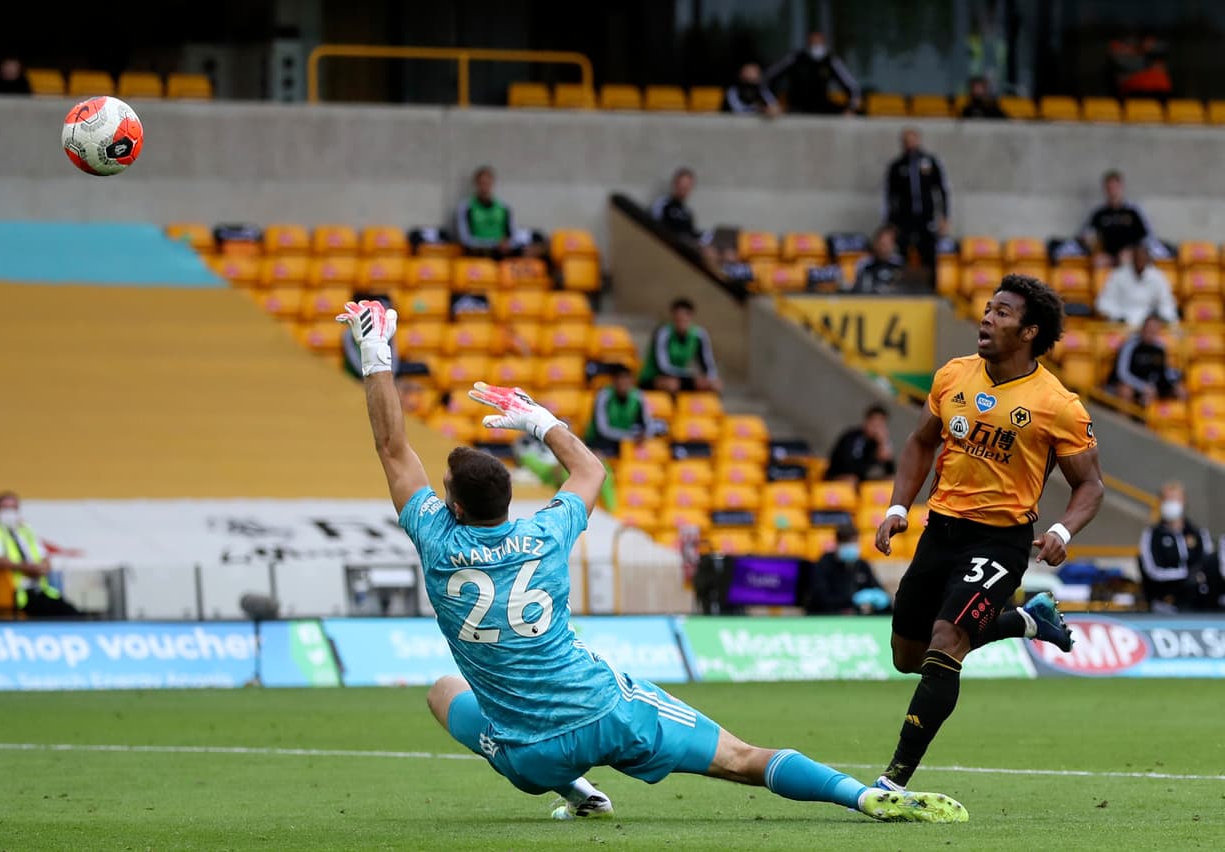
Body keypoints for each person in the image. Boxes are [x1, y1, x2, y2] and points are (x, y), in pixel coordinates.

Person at [336, 298, 968, 824]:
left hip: (529, 757)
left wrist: (375, 352)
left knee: (444, 691)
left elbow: (393, 448)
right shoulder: (547, 532)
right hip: (609, 714)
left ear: (448, 504)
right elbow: (589, 469)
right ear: (507, 499)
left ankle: (578, 793)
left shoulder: (436, 540)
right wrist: (538, 420)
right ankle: (864, 795)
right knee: (742, 758)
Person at [874, 273, 1104, 791]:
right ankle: (1026, 620)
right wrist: (897, 507)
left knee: (946, 641)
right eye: (988, 308)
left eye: (1002, 312)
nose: (986, 317)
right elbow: (918, 443)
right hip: (941, 531)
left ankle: (894, 781)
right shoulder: (953, 376)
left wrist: (1063, 532)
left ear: (1029, 332)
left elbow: (1090, 486)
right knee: (907, 657)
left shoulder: (1058, 405)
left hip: (999, 541)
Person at [0, 491, 81, 618]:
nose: (9, 512)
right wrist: (26, 568)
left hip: (36, 590)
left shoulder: (24, 529)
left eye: (13, 508)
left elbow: (43, 555)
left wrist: (43, 567)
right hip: (10, 593)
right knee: (64, 613)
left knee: (70, 611)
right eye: (5, 507)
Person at [1139, 482, 1219, 613]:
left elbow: (1208, 563)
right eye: (1167, 499)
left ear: (1184, 501)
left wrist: (1198, 576)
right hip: (1165, 603)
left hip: (1197, 602)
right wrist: (1186, 575)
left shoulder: (1198, 533)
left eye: (1175, 499)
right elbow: (1153, 570)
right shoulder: (1152, 534)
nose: (1171, 504)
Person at [882, 128, 950, 275]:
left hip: (926, 217)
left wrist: (944, 216)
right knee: (902, 254)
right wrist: (890, 223)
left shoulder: (930, 162)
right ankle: (902, 289)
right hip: (904, 219)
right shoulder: (897, 166)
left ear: (918, 140)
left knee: (929, 252)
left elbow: (942, 191)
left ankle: (931, 289)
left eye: (912, 140)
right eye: (906, 141)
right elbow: (890, 196)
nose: (910, 144)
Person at [638, 298, 723, 394]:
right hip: (655, 377)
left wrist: (710, 378)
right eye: (678, 318)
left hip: (681, 377)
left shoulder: (699, 335)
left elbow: (708, 364)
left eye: (684, 316)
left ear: (691, 317)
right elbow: (662, 366)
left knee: (715, 385)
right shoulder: (663, 332)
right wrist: (690, 376)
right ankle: (670, 408)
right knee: (672, 384)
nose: (681, 320)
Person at [765, 31, 861, 115]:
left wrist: (851, 107)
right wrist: (772, 103)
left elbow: (851, 87)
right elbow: (769, 78)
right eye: (813, 41)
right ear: (808, 42)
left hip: (821, 107)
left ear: (824, 42)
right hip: (796, 108)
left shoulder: (830, 60)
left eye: (819, 41)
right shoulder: (795, 58)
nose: (816, 44)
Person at [807, 525, 892, 615]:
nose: (852, 547)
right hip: (828, 617)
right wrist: (851, 600)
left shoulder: (861, 565)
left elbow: (878, 590)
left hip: (857, 618)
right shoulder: (824, 564)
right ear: (838, 543)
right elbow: (820, 598)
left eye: (854, 542)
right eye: (847, 543)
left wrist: (878, 598)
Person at [455, 166, 535, 260]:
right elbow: (465, 239)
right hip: (480, 251)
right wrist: (494, 244)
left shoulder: (504, 207)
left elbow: (512, 235)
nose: (485, 186)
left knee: (532, 250)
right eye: (482, 183)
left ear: (492, 183)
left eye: (487, 183)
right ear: (476, 184)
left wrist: (507, 243)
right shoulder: (466, 207)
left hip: (502, 250)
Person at [1094, 243, 1178, 330]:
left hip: (1149, 325)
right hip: (1122, 323)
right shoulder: (1118, 275)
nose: (1140, 261)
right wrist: (1117, 316)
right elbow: (1105, 302)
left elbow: (1166, 302)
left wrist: (1163, 318)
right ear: (1133, 258)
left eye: (1142, 258)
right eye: (1137, 258)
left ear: (1147, 259)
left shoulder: (1157, 276)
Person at [1080, 170, 1155, 267]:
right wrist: (1089, 240)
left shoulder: (1133, 211)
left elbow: (1148, 236)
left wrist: (1133, 250)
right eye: (1109, 188)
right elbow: (1085, 233)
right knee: (1097, 261)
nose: (1112, 192)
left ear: (1121, 187)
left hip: (1130, 253)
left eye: (1115, 187)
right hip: (1108, 255)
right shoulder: (1099, 213)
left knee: (1125, 259)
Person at [1107, 315, 1185, 406]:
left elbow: (1165, 371)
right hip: (1131, 384)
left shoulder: (1160, 348)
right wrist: (1143, 387)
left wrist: (1175, 383)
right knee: (1126, 390)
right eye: (1148, 328)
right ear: (1143, 328)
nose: (1150, 332)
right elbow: (1122, 373)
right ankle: (1122, 418)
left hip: (1149, 387)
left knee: (1179, 391)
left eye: (1154, 330)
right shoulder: (1130, 345)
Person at [585, 364, 660, 455]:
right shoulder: (604, 396)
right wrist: (628, 437)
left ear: (631, 380)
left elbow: (649, 424)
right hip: (602, 440)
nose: (622, 382)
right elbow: (602, 429)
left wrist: (644, 435)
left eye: (626, 378)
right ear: (613, 381)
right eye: (619, 378)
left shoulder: (638, 396)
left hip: (627, 440)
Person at [825, 405, 896, 484]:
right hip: (837, 477)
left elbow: (890, 472)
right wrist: (874, 459)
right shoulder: (852, 437)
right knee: (851, 480)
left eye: (881, 425)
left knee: (890, 480)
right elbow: (848, 467)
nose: (877, 429)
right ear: (867, 421)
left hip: (862, 481)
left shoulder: (880, 443)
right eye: (875, 424)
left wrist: (884, 449)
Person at [849, 225, 904, 294]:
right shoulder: (865, 263)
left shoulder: (899, 263)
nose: (885, 249)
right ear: (875, 244)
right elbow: (857, 289)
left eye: (888, 244)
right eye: (882, 244)